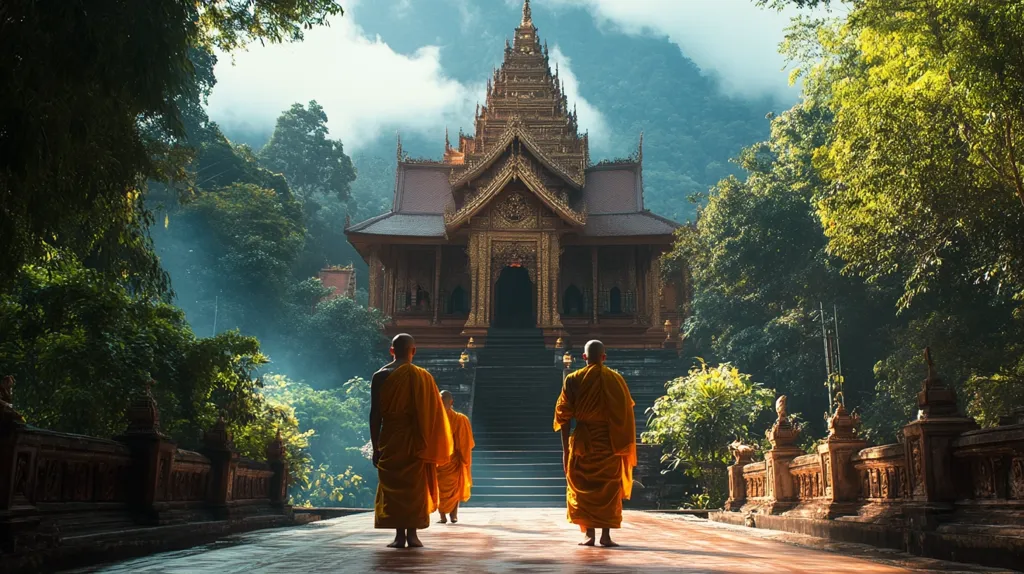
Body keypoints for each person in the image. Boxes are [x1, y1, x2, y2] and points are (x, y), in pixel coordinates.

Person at [370, 333, 453, 548]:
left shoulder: (380, 376)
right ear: (413, 351)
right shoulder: (423, 377)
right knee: (414, 488)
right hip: (417, 439)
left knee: (395, 485)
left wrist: (375, 446)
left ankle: (399, 536)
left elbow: (375, 414)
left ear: (391, 350)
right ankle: (413, 535)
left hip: (390, 438)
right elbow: (434, 416)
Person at [553, 339, 637, 547]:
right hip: (609, 444)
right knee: (608, 489)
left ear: (584, 357)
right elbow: (626, 414)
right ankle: (606, 535)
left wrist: (565, 451)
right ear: (604, 357)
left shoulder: (573, 379)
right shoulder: (616, 379)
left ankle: (589, 534)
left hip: (582, 444)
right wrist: (623, 444)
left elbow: (563, 417)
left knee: (583, 487)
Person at [437, 390, 475, 524]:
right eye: (440, 401)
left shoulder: (460, 419)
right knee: (439, 489)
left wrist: (463, 458)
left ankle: (454, 515)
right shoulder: (435, 419)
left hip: (453, 460)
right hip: (438, 460)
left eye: (444, 401)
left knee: (455, 489)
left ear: (451, 402)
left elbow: (465, 442)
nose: (442, 404)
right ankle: (442, 516)